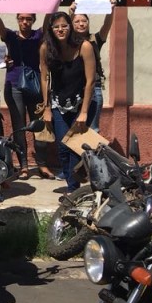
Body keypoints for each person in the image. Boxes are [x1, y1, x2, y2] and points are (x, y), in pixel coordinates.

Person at [0, 8, 50, 179]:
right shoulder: (10, 36)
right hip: (14, 85)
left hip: (35, 85)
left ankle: (42, 165)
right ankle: (23, 166)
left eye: (29, 19)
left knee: (39, 127)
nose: (25, 22)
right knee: (19, 127)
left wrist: (55, 2)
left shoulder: (38, 36)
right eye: (22, 19)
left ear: (33, 20)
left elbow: (48, 20)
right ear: (17, 20)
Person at [39, 11, 97, 192]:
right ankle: (74, 187)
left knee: (75, 147)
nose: (60, 29)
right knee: (63, 147)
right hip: (58, 103)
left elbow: (90, 80)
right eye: (56, 26)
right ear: (51, 29)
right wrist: (46, 107)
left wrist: (84, 112)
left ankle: (76, 188)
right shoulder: (46, 48)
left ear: (70, 27)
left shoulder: (84, 46)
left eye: (64, 25)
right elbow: (44, 78)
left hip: (82, 103)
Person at [69, 0, 116, 132]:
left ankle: (92, 153)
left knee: (93, 129)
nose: (81, 24)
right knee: (74, 127)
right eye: (77, 21)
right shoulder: (68, 42)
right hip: (73, 89)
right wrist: (70, 13)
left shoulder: (95, 39)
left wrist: (111, 10)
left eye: (84, 21)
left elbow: (106, 25)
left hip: (94, 89)